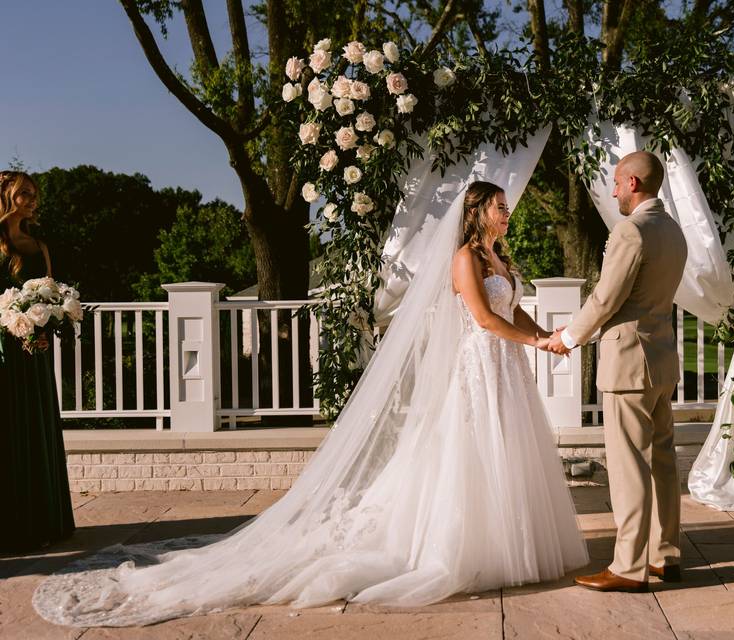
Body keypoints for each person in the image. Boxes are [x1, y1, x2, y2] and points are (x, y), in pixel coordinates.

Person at [34, 180, 588, 627]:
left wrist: (550, 335)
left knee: (508, 453)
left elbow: (513, 313)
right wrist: (537, 343)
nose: (506, 212)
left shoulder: (499, 255)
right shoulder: (466, 259)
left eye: (506, 207)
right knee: (471, 454)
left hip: (506, 369)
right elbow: (484, 320)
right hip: (478, 367)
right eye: (499, 206)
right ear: (476, 212)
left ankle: (514, 543)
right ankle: (467, 547)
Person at [547, 151, 688, 592]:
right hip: (662, 360)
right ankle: (665, 556)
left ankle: (628, 567)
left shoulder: (632, 230)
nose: (611, 191)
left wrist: (568, 338)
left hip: (629, 364)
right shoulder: (674, 231)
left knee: (629, 467)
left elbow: (607, 300)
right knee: (663, 463)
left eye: (614, 182)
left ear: (632, 183)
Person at [0, 170, 75, 553]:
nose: (32, 199)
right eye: (24, 193)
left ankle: (43, 520)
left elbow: (50, 291)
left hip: (34, 352)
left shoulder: (40, 244)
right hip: (2, 352)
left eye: (35, 194)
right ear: (6, 195)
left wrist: (49, 320)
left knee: (35, 427)